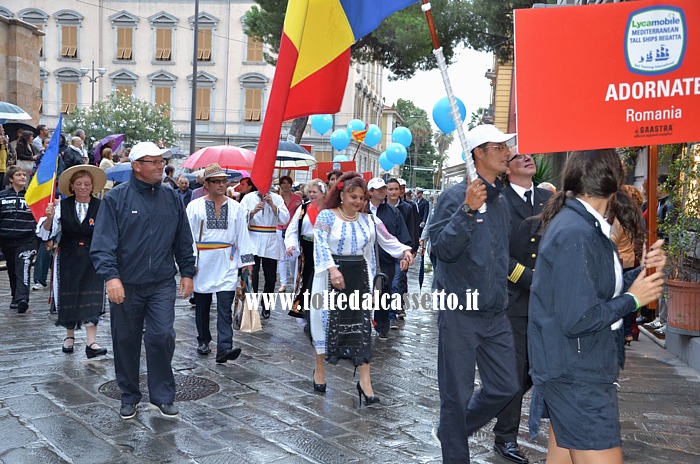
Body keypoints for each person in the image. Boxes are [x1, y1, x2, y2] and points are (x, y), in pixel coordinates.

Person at [528, 149, 666, 464]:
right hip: (577, 374)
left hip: (571, 369)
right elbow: (579, 318)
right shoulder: (578, 232)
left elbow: (595, 287)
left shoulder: (579, 226)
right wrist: (634, 298)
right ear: (615, 180)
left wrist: (640, 273)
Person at [429, 124, 519, 463]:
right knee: (456, 395)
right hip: (459, 312)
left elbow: (500, 257)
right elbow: (440, 249)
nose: (506, 152)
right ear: (478, 153)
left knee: (506, 387)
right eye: (498, 147)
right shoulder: (456, 196)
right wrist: (467, 210)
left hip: (496, 313)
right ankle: (455, 447)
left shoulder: (502, 201)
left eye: (505, 146)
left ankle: (454, 429)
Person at [90, 141, 196, 420]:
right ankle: (129, 394)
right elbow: (103, 244)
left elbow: (183, 239)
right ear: (137, 166)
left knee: (162, 335)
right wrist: (111, 277)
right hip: (126, 283)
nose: (161, 166)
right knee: (125, 339)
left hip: (161, 281)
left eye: (162, 161)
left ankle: (162, 396)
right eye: (154, 162)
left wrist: (187, 271)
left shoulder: (171, 197)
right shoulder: (116, 199)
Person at [310, 172, 413, 399]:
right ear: (342, 194)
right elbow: (320, 244)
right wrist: (332, 269)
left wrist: (405, 250)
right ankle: (320, 369)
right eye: (353, 196)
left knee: (363, 329)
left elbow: (388, 240)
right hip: (330, 278)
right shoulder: (326, 217)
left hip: (360, 278)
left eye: (361, 198)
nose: (357, 201)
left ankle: (365, 382)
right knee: (323, 323)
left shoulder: (369, 220)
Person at [492, 146, 553, 464]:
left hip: (547, 301)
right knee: (515, 372)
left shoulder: (549, 201)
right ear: (507, 169)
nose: (527, 158)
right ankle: (505, 438)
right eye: (518, 157)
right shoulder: (499, 202)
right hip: (514, 298)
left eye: (529, 154)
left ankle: (492, 401)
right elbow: (498, 253)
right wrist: (531, 278)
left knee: (537, 369)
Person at [38, 165, 109, 358]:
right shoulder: (62, 206)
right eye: (78, 184)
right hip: (68, 256)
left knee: (92, 295)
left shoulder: (101, 206)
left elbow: (108, 232)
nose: (83, 187)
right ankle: (69, 336)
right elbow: (47, 232)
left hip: (92, 257)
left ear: (92, 186)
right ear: (71, 186)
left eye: (86, 184)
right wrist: (49, 218)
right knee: (69, 293)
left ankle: (91, 342)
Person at [186, 163, 255, 362]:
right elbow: (188, 236)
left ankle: (225, 347)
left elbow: (242, 235)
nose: (221, 184)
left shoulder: (236, 207)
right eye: (216, 181)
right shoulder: (195, 206)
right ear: (206, 184)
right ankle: (203, 339)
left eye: (224, 181)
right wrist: (191, 261)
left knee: (225, 305)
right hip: (203, 260)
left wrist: (247, 262)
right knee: (202, 304)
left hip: (227, 260)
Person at [366, 177, 411, 339]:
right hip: (365, 261)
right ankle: (363, 324)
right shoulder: (362, 210)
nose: (383, 191)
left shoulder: (393, 212)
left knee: (385, 294)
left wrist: (405, 253)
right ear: (370, 192)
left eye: (383, 188)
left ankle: (382, 326)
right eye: (379, 189)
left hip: (386, 261)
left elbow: (398, 237)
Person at [240, 180, 289, 318]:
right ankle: (252, 307)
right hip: (253, 239)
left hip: (270, 240)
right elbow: (239, 217)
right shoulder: (248, 198)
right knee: (252, 276)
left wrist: (273, 205)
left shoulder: (277, 198)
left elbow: (285, 219)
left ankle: (266, 306)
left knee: (271, 278)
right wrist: (253, 211)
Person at [284, 179, 327, 324]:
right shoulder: (303, 208)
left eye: (315, 192)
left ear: (323, 193)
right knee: (306, 281)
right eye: (309, 192)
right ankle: (304, 313)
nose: (312, 194)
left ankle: (321, 312)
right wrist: (291, 245)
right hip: (306, 250)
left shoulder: (328, 210)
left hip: (323, 250)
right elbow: (292, 228)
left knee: (321, 281)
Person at [0, 166, 37, 313]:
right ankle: (15, 296)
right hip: (6, 239)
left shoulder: (32, 197)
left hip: (26, 239)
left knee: (23, 266)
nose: (23, 177)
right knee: (12, 268)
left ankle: (23, 298)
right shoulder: (2, 196)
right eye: (18, 175)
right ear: (10, 179)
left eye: (24, 175)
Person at [276, 175, 303, 293]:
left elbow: (301, 213)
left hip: (292, 230)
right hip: (280, 228)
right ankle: (283, 283)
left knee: (293, 256)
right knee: (282, 257)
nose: (285, 185)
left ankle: (294, 277)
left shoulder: (297, 198)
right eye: (283, 183)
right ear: (280, 185)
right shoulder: (277, 198)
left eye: (288, 183)